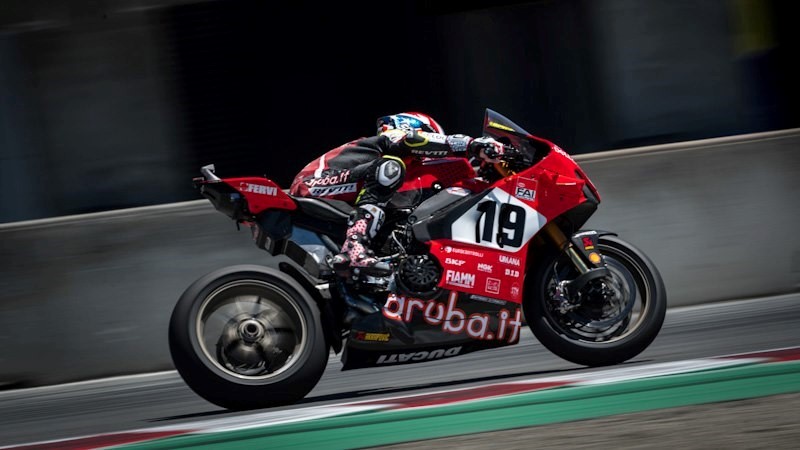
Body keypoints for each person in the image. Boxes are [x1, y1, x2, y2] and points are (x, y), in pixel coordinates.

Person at [289, 111, 507, 277]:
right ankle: (354, 248)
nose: (429, 155)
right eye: (431, 140)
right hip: (314, 183)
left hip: (337, 188)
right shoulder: (395, 138)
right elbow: (413, 142)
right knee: (389, 168)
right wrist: (472, 145)